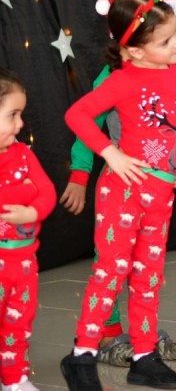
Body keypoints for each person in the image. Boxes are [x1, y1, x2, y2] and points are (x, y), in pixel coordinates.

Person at [59, 0, 176, 391]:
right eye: (165, 41)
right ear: (134, 50)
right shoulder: (122, 80)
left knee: (148, 277)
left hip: (160, 195)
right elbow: (78, 115)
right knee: (110, 273)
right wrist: (110, 153)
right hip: (125, 193)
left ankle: (144, 356)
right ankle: (82, 355)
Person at [0, 68, 56, 391]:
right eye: (13, 115)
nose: (21, 123)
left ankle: (15, 379)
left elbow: (47, 192)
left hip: (23, 266)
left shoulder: (23, 154)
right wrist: (24, 191)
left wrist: (32, 210)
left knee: (19, 323)